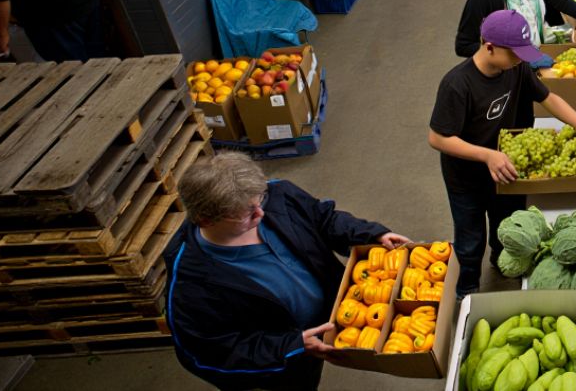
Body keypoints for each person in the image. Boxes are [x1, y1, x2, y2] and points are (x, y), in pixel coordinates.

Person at [164, 152, 410, 390]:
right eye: (247, 213)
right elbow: (211, 354)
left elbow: (323, 219)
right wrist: (291, 347)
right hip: (286, 358)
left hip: (333, 319)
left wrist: (371, 234)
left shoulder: (277, 195)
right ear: (206, 220)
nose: (261, 213)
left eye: (259, 201)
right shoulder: (190, 283)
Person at [429, 10, 576, 298]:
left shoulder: (516, 68)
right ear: (489, 47)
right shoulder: (457, 84)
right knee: (471, 238)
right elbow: (437, 137)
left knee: (506, 224)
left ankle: (502, 264)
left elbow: (549, 98)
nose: (521, 60)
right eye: (515, 54)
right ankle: (467, 288)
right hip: (467, 178)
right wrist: (487, 155)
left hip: (506, 171)